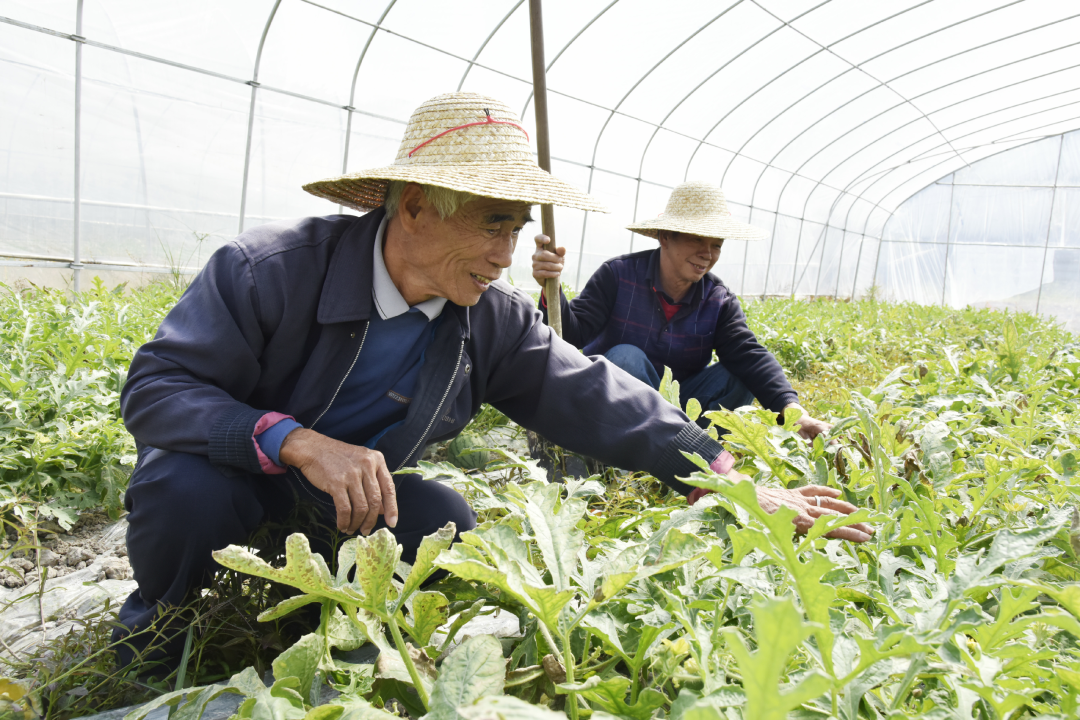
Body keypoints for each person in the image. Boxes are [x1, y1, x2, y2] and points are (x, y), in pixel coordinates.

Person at [115, 94, 873, 665]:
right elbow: (157, 389)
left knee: (442, 512)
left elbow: (594, 394)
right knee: (189, 488)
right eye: (491, 224)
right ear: (414, 207)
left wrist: (729, 479)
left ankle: (319, 620)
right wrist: (296, 441)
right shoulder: (268, 272)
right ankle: (162, 623)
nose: (507, 253)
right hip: (241, 478)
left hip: (346, 508)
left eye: (515, 228)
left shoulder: (491, 317)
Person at [532, 180, 832, 440]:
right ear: (665, 236)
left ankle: (688, 445)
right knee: (626, 358)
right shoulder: (618, 275)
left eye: (716, 244)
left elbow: (748, 353)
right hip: (616, 406)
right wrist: (551, 288)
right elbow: (570, 335)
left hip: (682, 403)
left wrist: (792, 410)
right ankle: (624, 446)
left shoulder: (718, 299)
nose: (707, 253)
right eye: (697, 238)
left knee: (740, 375)